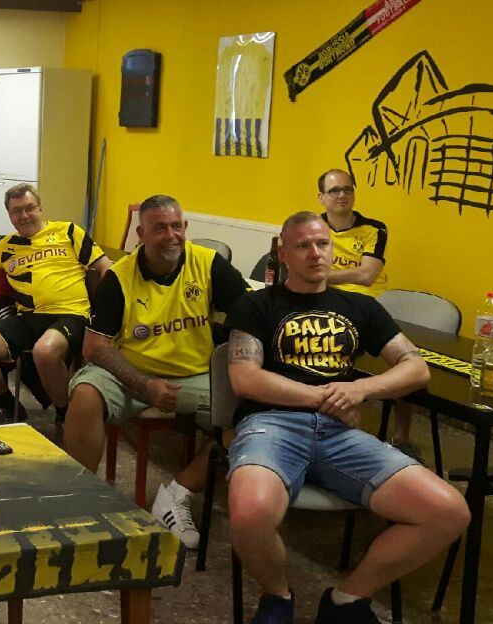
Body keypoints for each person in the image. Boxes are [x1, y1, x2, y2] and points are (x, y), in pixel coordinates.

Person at [225, 212, 467, 624]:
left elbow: (416, 369)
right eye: (303, 245)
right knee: (250, 514)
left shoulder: (360, 306)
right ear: (283, 254)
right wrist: (324, 397)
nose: (315, 253)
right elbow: (245, 378)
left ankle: (346, 600)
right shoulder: (256, 304)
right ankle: (277, 596)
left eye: (322, 244)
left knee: (449, 512)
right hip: (271, 424)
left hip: (340, 431)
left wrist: (360, 390)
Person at [64, 195, 249, 548]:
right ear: (141, 234)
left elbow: (249, 314)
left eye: (176, 226)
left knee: (253, 419)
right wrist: (145, 386)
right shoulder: (119, 277)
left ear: (185, 228)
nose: (171, 235)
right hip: (132, 372)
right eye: (160, 228)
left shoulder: (209, 264)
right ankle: (78, 502)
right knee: (85, 395)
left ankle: (176, 495)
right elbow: (94, 347)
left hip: (195, 375)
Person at [0, 183, 110, 431]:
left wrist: (106, 313)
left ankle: (64, 411)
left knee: (44, 351)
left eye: (30, 208)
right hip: (27, 317)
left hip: (70, 313)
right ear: (9, 215)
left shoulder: (68, 231)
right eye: (16, 211)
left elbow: (105, 267)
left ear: (40, 208)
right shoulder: (6, 246)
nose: (24, 215)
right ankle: (5, 400)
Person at [316, 169, 416, 457]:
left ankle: (402, 437)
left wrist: (321, 276)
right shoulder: (313, 227)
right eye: (334, 191)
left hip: (367, 307)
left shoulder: (374, 229)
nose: (342, 195)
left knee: (406, 360)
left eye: (348, 189)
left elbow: (367, 275)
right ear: (321, 197)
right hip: (324, 303)